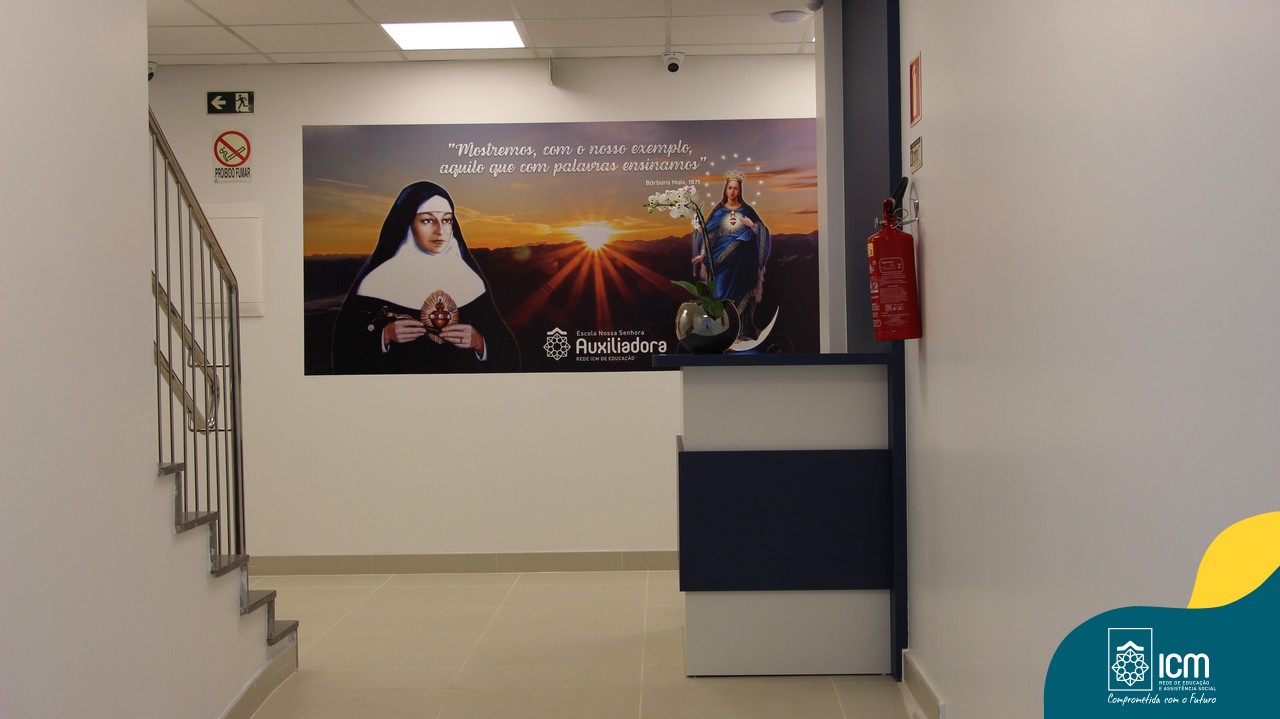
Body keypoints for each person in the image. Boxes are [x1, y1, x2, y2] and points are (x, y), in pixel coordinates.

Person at [331, 181, 518, 374]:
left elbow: (507, 351)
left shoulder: (471, 281)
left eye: (447, 220)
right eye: (427, 220)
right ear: (408, 222)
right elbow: (345, 353)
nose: (440, 230)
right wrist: (384, 336)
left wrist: (480, 343)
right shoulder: (375, 283)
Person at [692, 170, 771, 340]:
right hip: (721, 262)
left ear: (740, 190)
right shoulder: (719, 212)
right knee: (720, 293)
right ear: (725, 190)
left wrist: (753, 226)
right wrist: (703, 254)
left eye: (736, 188)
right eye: (730, 188)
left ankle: (741, 331)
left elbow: (763, 232)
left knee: (741, 292)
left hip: (743, 263)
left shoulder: (747, 210)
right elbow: (709, 235)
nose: (732, 191)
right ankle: (722, 329)